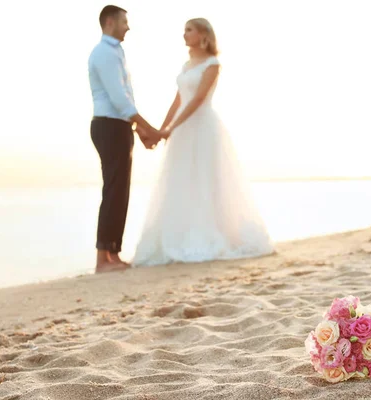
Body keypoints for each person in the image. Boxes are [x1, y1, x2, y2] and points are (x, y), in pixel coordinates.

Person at [131, 18, 275, 267]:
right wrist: (162, 130)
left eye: (189, 30)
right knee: (181, 180)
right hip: (182, 128)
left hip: (203, 127)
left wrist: (170, 129)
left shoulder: (213, 64)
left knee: (206, 180)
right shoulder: (186, 65)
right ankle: (178, 234)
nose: (184, 34)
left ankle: (209, 234)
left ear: (203, 34)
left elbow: (197, 99)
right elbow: (178, 101)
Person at [88, 5, 164, 273]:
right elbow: (119, 100)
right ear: (110, 22)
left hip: (118, 126)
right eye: (124, 22)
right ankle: (102, 259)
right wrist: (150, 128)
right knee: (113, 190)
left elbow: (125, 97)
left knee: (120, 191)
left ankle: (112, 255)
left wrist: (139, 130)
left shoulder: (116, 52)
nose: (128, 27)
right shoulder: (103, 53)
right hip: (108, 126)